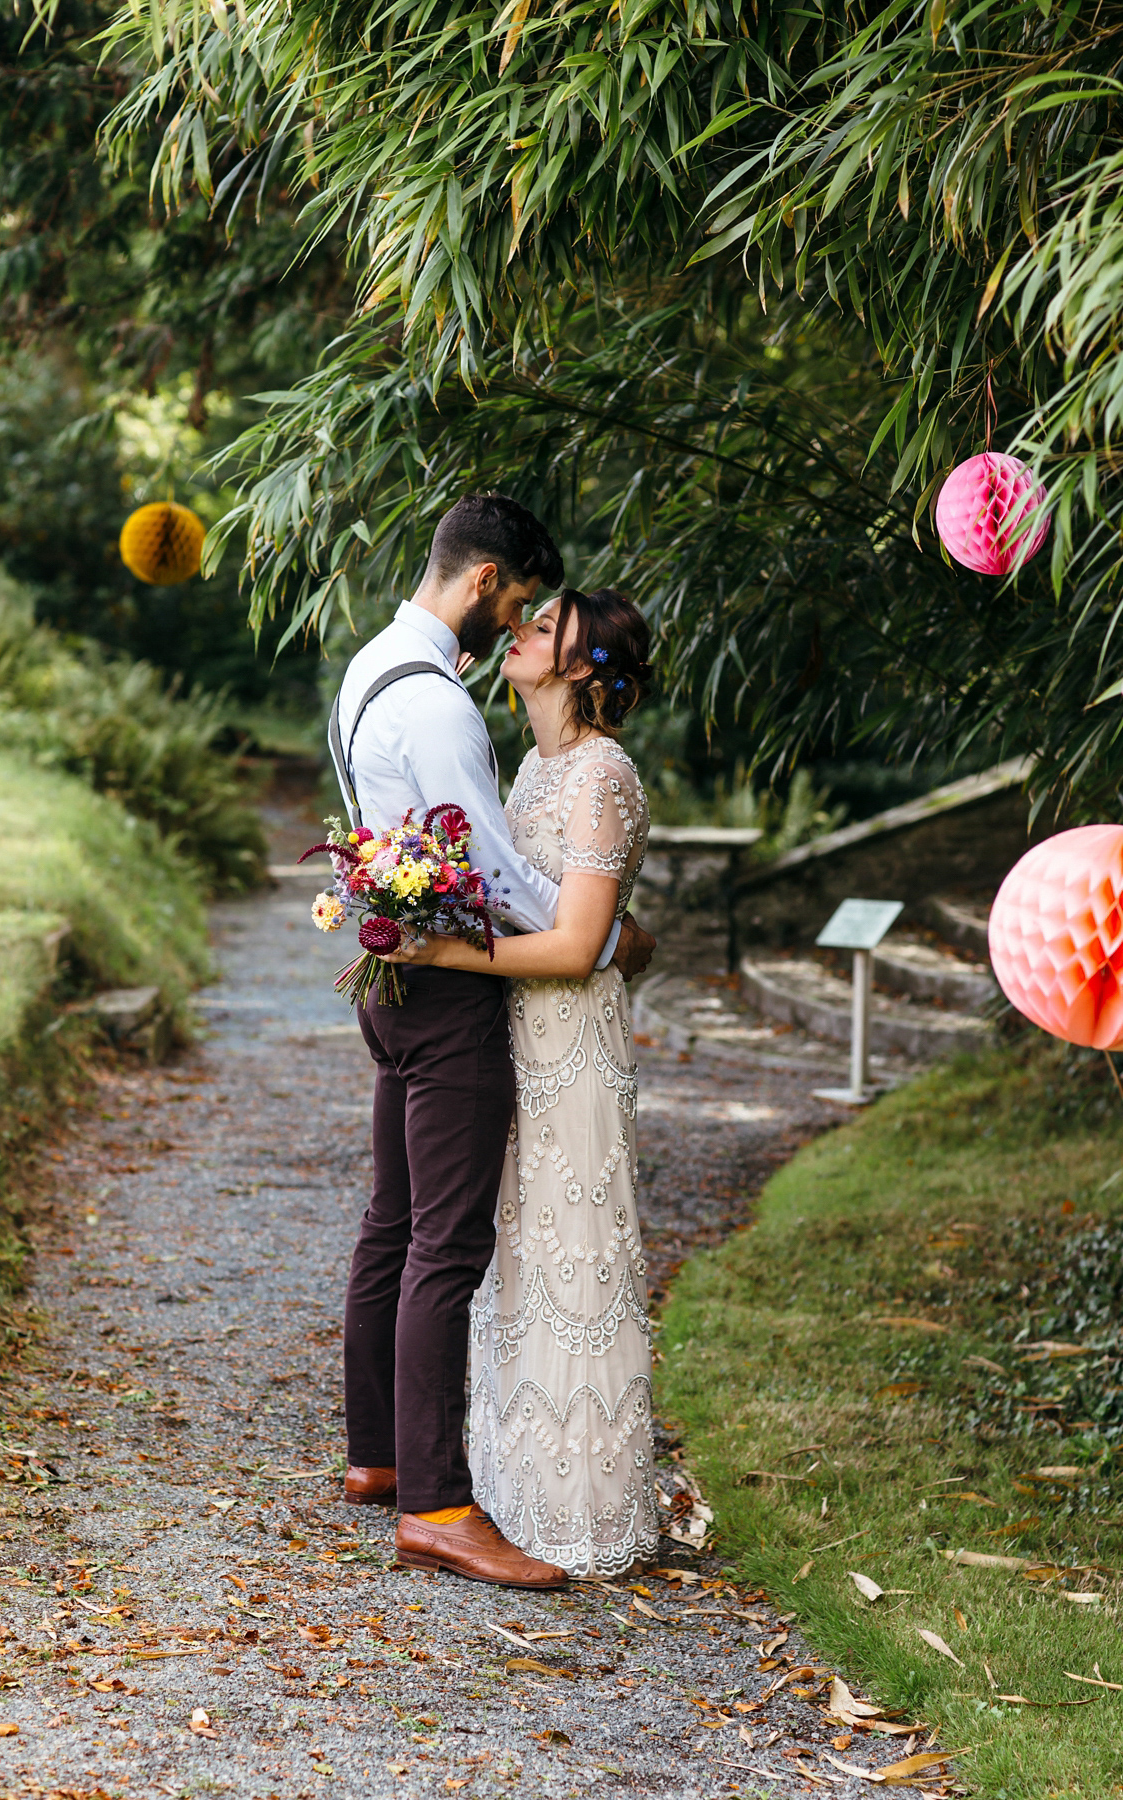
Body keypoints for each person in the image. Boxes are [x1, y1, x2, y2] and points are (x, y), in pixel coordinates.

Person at [332, 493, 656, 1591]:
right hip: (446, 996)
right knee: (442, 1245)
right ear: (483, 583)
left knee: (395, 1222)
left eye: (537, 618)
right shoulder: (439, 706)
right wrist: (607, 936)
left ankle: (377, 1456)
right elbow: (500, 881)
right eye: (516, 600)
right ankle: (432, 1501)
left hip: (405, 980)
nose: (515, 623)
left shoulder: (372, 666)